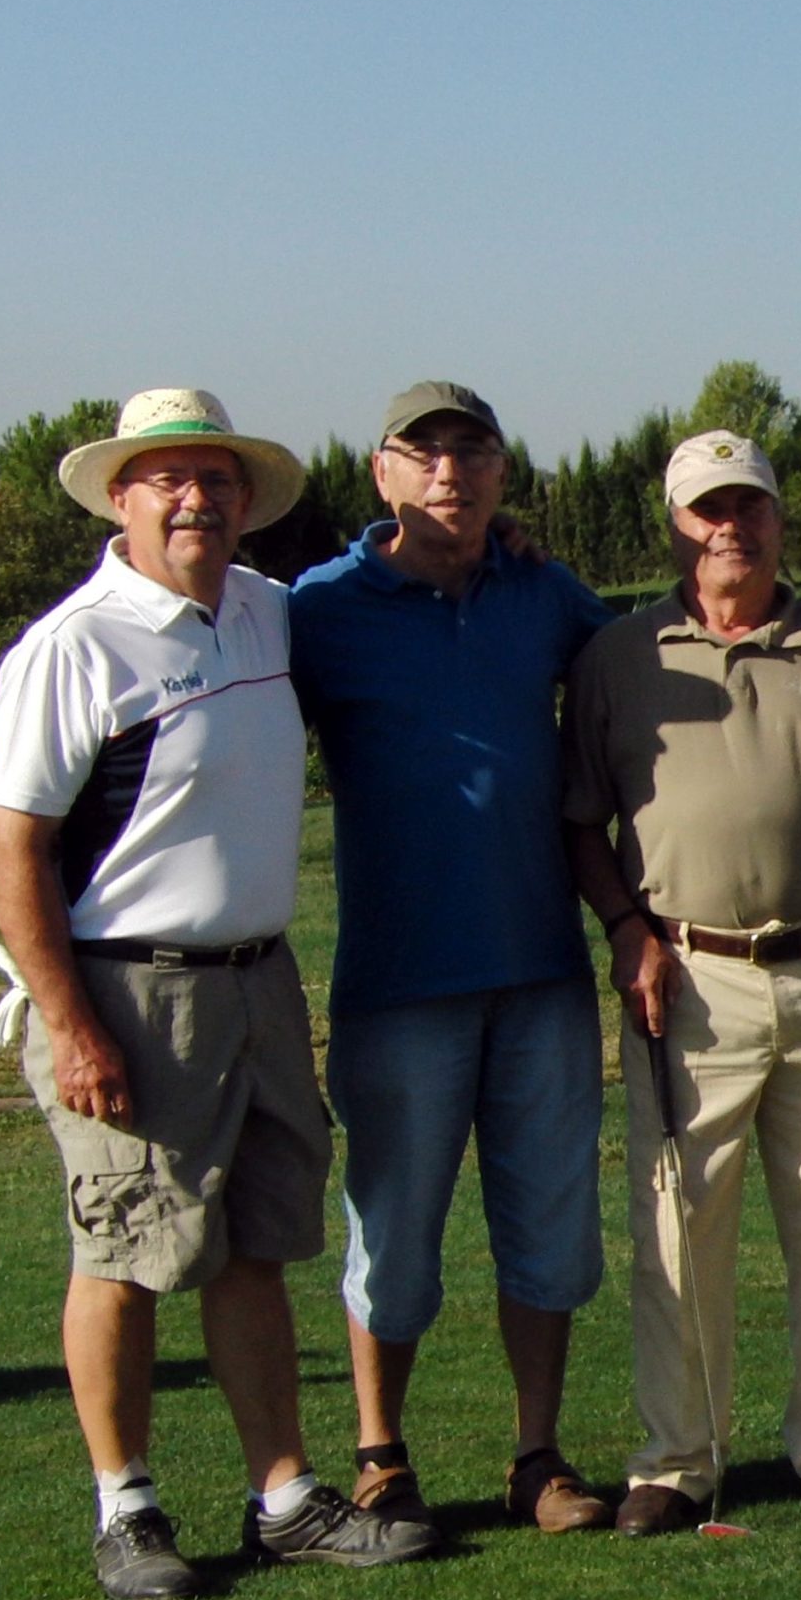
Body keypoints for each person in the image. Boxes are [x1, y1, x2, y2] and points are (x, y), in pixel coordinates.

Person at [0, 388, 436, 1599]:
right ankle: (126, 1509)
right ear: (120, 499)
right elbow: (10, 846)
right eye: (166, 480)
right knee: (122, 1251)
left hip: (258, 982)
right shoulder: (75, 646)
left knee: (253, 1248)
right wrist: (71, 1023)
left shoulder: (266, 612)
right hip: (125, 992)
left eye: (216, 480)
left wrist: (504, 549)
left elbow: (383, 584)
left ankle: (282, 1498)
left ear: (244, 500)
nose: (195, 501)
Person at [563, 431, 801, 1532]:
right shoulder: (618, 655)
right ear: (675, 526)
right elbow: (580, 822)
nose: (731, 527)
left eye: (749, 506)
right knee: (679, 1226)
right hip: (684, 978)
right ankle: (678, 1459)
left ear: (777, 519)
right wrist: (625, 930)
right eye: (707, 510)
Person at [289, 382, 615, 1537]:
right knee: (393, 1240)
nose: (448, 472)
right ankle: (381, 1457)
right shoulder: (320, 609)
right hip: (397, 982)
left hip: (540, 970)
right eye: (421, 452)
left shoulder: (543, 594)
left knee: (550, 1229)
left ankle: (537, 1457)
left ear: (501, 473)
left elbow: (660, 650)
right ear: (380, 472)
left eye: (471, 452)